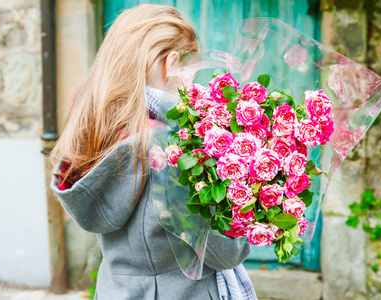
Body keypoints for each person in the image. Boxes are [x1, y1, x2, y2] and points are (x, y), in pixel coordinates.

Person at [49, 4, 256, 300]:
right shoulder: (173, 149)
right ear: (171, 63)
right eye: (191, 70)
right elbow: (227, 253)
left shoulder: (95, 128)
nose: (194, 84)